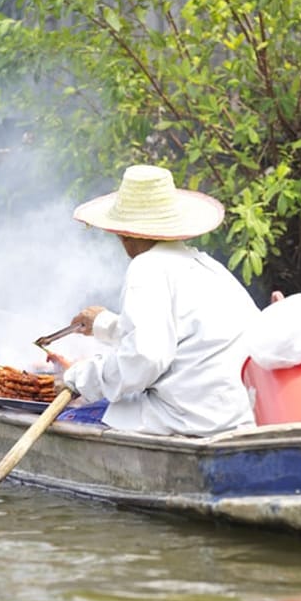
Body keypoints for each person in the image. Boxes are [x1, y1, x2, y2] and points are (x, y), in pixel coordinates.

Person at [46, 164, 260, 437]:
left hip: (191, 421)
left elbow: (144, 359)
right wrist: (103, 324)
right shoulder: (208, 267)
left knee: (69, 416)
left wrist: (77, 377)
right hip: (241, 417)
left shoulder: (147, 267)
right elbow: (169, 334)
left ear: (123, 233)